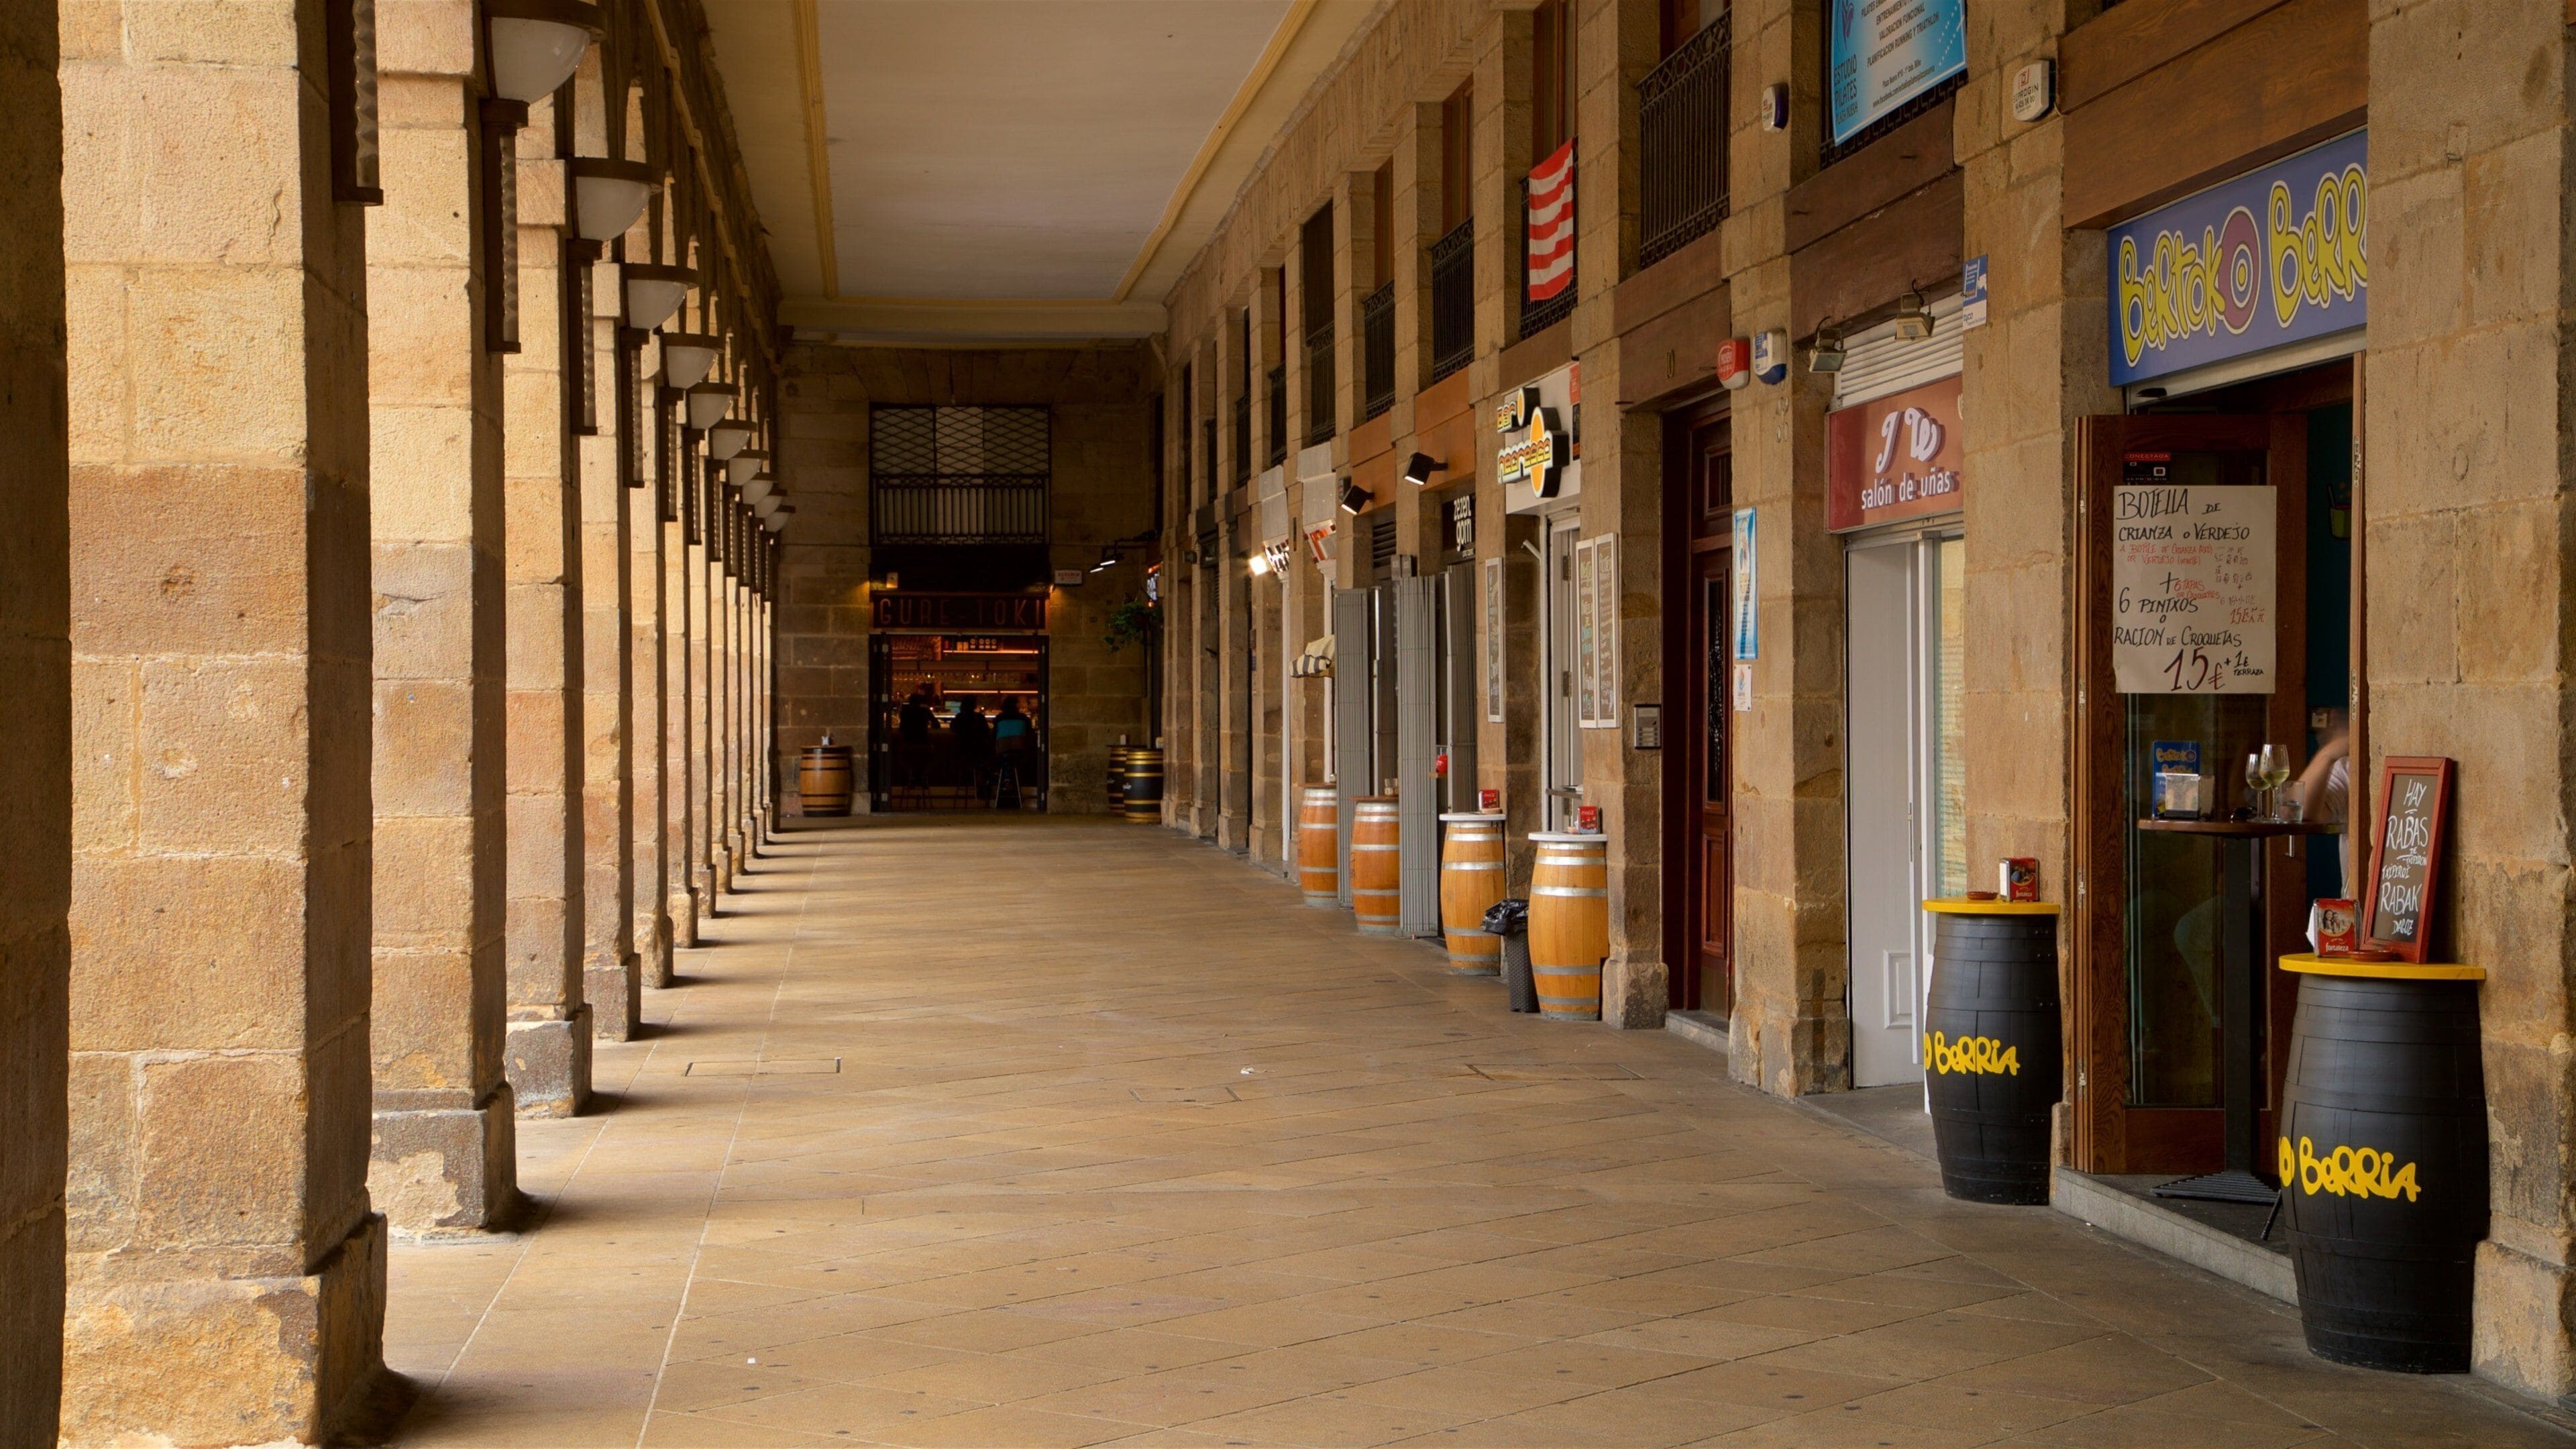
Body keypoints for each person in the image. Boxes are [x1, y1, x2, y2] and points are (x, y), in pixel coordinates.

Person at [991, 696, 1035, 806]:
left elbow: (993, 736)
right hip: (1020, 752)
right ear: (1017, 706)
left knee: (1003, 763)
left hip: (1002, 752)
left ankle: (1004, 782)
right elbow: (1030, 735)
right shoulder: (1024, 718)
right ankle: (1016, 789)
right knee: (1018, 766)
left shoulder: (999, 718)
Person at [949, 693, 992, 799]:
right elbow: (987, 733)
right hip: (978, 752)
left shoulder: (959, 717)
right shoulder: (979, 717)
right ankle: (982, 787)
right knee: (986, 763)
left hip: (962, 752)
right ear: (974, 706)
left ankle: (968, 782)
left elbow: (953, 729)